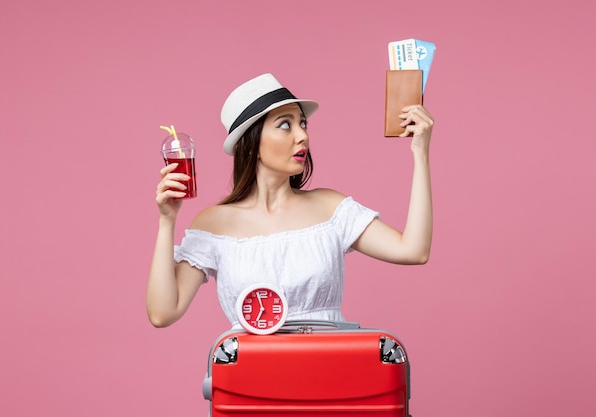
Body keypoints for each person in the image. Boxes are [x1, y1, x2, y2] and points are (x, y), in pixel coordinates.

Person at [147, 73, 434, 328]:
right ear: (252, 143)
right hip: (251, 379)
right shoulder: (214, 224)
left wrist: (420, 152)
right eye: (285, 125)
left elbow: (413, 250)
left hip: (327, 374)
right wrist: (167, 221)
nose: (302, 135)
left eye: (303, 123)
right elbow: (163, 313)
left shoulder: (330, 208)